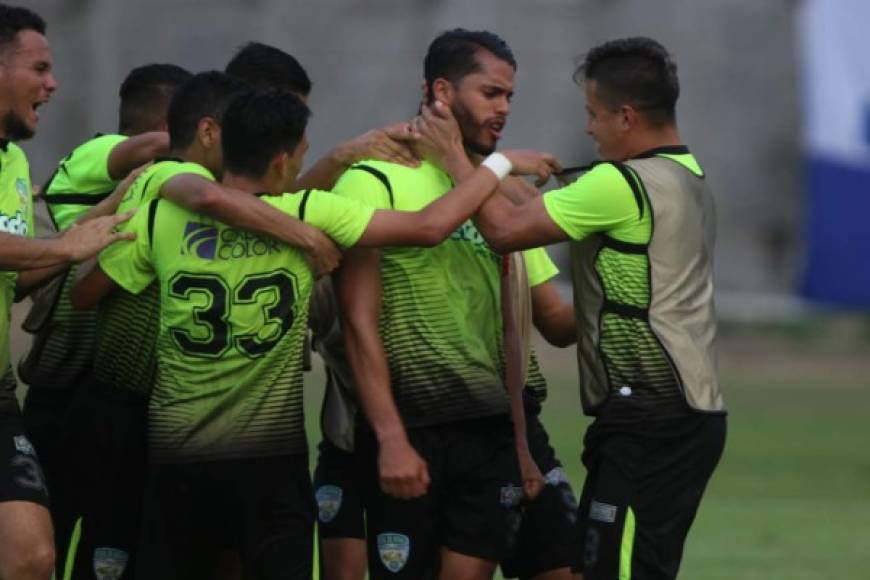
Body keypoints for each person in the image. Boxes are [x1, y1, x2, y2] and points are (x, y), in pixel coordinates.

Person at [72, 89, 556, 579]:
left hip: (178, 456)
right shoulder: (309, 213)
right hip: (271, 466)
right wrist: (498, 166)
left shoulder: (162, 215)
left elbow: (85, 294)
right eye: (302, 154)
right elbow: (430, 226)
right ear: (283, 162)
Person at [425, 36, 727, 580]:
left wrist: (455, 156)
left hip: (651, 419)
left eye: (594, 115)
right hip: (673, 416)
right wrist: (505, 172)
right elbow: (539, 211)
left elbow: (502, 230)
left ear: (626, 116)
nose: (589, 128)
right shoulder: (685, 175)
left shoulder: (621, 183)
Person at [60, 71, 339, 580]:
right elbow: (86, 291)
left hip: (177, 421)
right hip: (126, 406)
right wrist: (306, 236)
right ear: (211, 131)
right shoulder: (162, 181)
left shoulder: (224, 200)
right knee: (113, 552)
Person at [333, 28, 566, 580]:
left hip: (495, 430)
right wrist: (390, 439)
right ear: (442, 91)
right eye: (491, 93)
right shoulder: (373, 182)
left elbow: (549, 318)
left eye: (510, 96)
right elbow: (358, 325)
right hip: (414, 430)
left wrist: (641, 305)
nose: (504, 108)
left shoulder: (503, 195)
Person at [18, 62, 191, 572]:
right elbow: (152, 148)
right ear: (168, 126)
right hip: (61, 392)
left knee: (110, 550)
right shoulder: (98, 154)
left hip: (116, 399)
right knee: (37, 544)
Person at [0, 5, 134, 580]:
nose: (52, 83)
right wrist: (63, 250)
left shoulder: (14, 163)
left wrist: (100, 218)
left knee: (32, 556)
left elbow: (14, 280)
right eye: (40, 67)